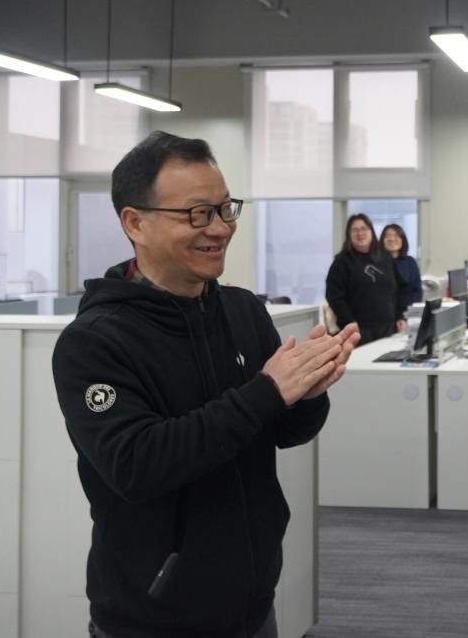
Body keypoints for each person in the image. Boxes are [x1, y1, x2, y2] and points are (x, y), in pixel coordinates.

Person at [51, 131, 359, 638]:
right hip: (153, 620)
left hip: (254, 605)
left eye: (225, 209)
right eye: (197, 214)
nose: (220, 228)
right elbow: (136, 465)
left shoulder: (242, 310)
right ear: (135, 223)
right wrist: (267, 391)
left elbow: (283, 432)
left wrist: (307, 392)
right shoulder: (94, 342)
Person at [326, 213, 407, 344]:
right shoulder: (341, 262)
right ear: (349, 235)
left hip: (389, 328)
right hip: (358, 331)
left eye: (364, 229)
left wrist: (400, 316)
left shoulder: (385, 257)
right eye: (355, 230)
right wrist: (349, 322)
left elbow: (401, 288)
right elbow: (334, 297)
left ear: (371, 231)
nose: (360, 233)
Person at [380, 223, 424, 307]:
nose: (392, 239)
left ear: (402, 240)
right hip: (383, 310)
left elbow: (417, 291)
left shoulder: (410, 262)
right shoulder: (377, 263)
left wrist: (408, 309)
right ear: (382, 240)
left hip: (408, 310)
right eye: (388, 236)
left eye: (396, 235)